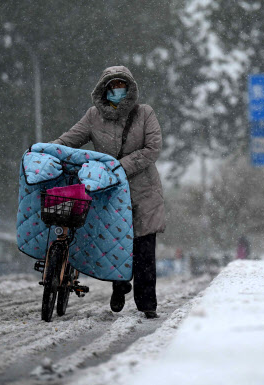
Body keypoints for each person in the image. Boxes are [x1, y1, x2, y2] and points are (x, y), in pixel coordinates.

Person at [52, 66, 165, 319]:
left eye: (121, 85)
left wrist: (119, 167)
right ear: (104, 90)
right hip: (111, 191)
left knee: (144, 247)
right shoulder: (93, 116)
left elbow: (152, 148)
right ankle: (120, 285)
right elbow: (71, 139)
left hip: (143, 191)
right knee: (116, 244)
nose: (117, 90)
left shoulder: (145, 113)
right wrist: (47, 149)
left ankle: (147, 303)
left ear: (130, 87)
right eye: (112, 86)